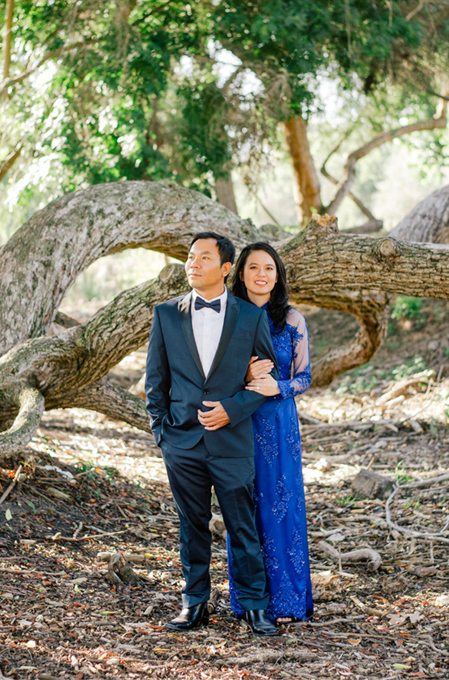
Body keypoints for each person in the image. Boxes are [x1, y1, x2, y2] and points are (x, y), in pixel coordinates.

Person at [145, 231, 279, 636]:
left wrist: (231, 410)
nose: (193, 263)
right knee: (191, 524)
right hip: (181, 442)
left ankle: (255, 606)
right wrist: (161, 435)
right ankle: (194, 602)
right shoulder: (166, 314)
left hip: (233, 441)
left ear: (224, 268)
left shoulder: (251, 316)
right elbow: (156, 381)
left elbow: (265, 380)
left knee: (243, 525)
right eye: (190, 257)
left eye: (203, 257)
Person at [227, 241, 314, 624]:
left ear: (277, 277)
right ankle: (248, 599)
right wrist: (244, 377)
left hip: (278, 423)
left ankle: (287, 602)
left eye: (269, 269)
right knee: (242, 507)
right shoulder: (228, 317)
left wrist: (278, 387)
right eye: (253, 268)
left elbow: (305, 377)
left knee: (280, 505)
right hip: (239, 423)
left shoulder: (291, 320)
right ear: (241, 273)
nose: (261, 275)